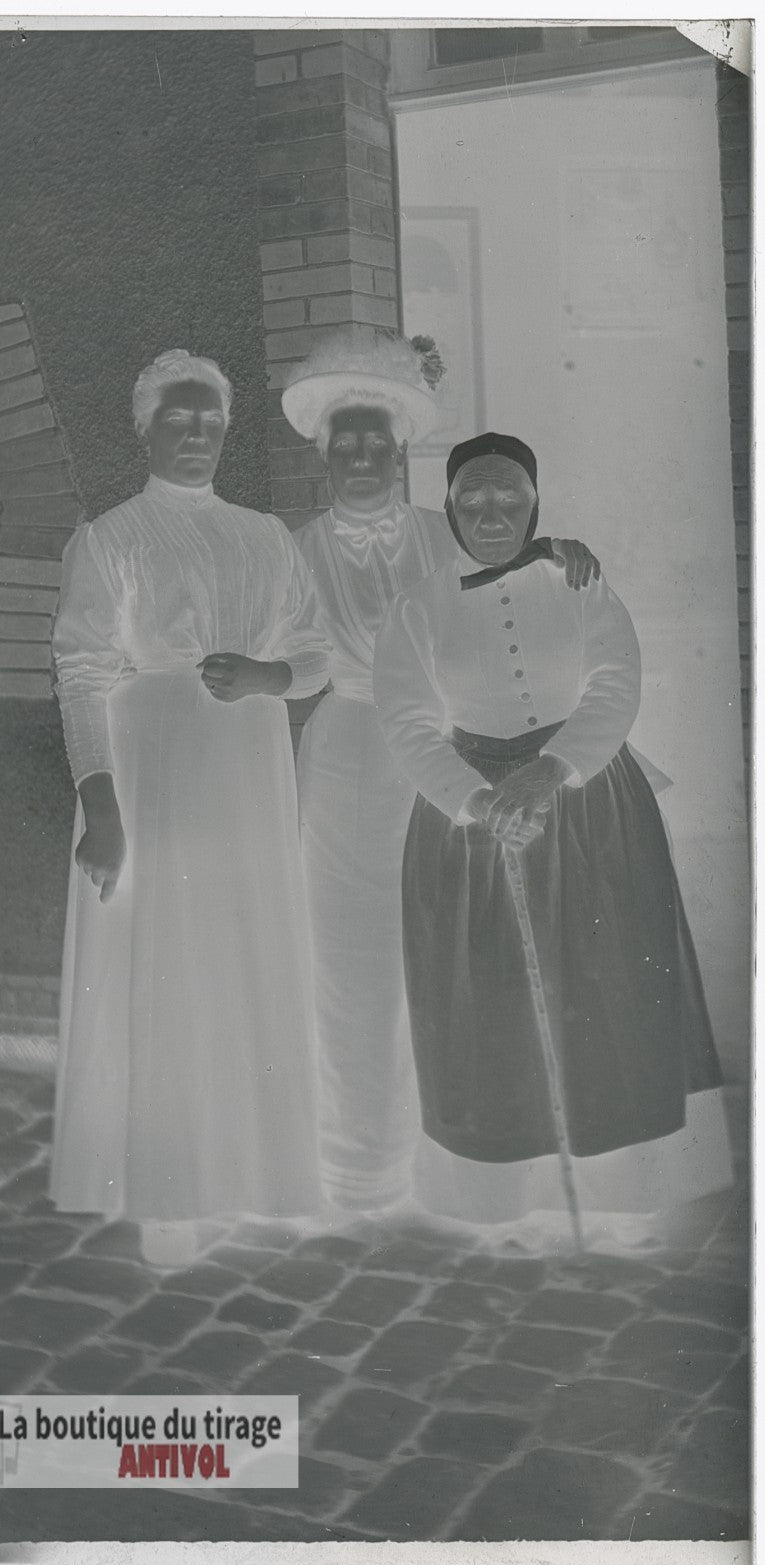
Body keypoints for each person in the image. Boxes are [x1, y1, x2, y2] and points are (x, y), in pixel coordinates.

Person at [372, 432, 733, 1251]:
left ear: (533, 502)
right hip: (470, 823)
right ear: (449, 506)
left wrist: (552, 771)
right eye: (472, 498)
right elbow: (403, 720)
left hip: (589, 807)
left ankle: (624, 1196)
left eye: (508, 497)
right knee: (491, 1003)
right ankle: (509, 1202)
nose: (490, 513)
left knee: (606, 992)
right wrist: (475, 799)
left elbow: (614, 683)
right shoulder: (417, 605)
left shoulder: (578, 581)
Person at [280, 329, 598, 1213]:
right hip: (349, 756)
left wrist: (558, 553)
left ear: (401, 452)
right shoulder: (293, 551)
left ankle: (461, 1164)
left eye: (377, 443)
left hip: (451, 754)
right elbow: (285, 655)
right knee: (353, 961)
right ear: (323, 452)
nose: (361, 458)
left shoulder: (443, 534)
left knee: (457, 952)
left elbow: (512, 581)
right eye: (345, 444)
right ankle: (361, 1166)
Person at [50, 349, 332, 1267]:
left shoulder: (264, 536)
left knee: (241, 956)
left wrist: (268, 676)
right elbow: (81, 674)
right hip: (153, 770)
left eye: (209, 419)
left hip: (244, 772)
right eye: (177, 419)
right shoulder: (110, 539)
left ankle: (255, 1173)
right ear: (144, 429)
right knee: (165, 966)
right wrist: (101, 809)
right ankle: (167, 1194)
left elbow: (317, 653)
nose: (196, 435)